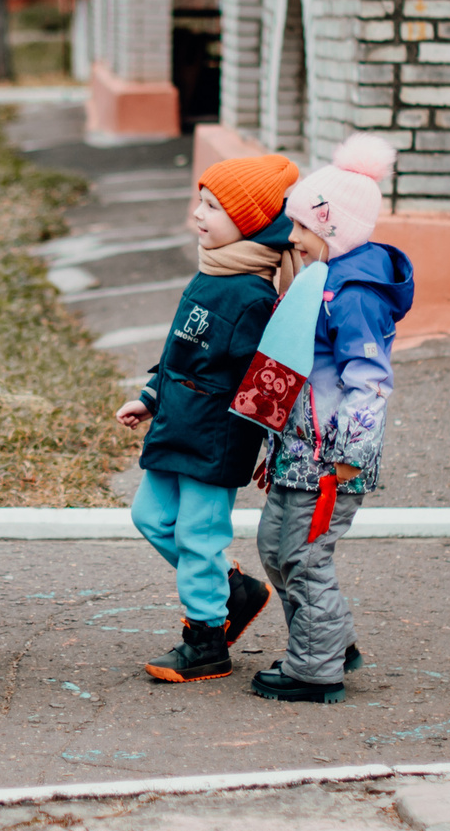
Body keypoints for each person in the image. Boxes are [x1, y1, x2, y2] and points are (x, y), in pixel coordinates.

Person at [122, 152, 301, 685]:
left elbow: (267, 381)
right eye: (200, 201)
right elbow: (179, 349)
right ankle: (233, 589)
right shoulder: (212, 271)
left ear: (245, 222)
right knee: (151, 517)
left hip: (215, 439)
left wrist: (268, 442)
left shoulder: (251, 295)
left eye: (214, 207)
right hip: (177, 424)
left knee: (198, 536)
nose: (199, 214)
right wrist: (151, 395)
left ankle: (205, 640)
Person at [251, 137, 413, 703]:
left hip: (330, 458)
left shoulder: (352, 295)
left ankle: (315, 668)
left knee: (302, 553)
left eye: (301, 225)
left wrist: (348, 455)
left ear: (332, 226)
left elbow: (369, 381)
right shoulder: (321, 283)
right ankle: (330, 640)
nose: (292, 237)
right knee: (275, 545)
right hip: (300, 449)